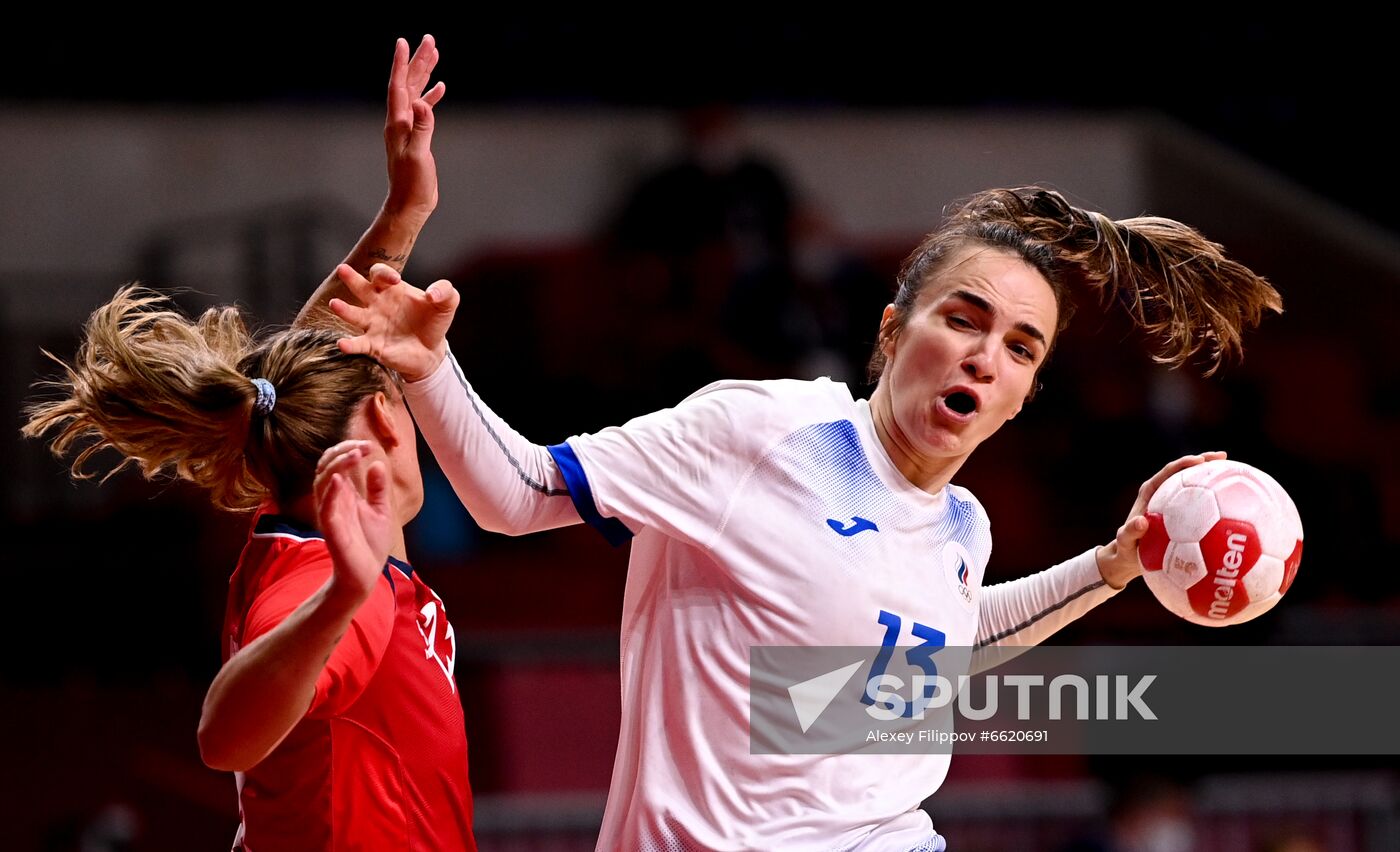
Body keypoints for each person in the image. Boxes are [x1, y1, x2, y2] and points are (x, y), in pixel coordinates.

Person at [332, 182, 1280, 850]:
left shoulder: (963, 527)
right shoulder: (765, 432)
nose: (985, 356)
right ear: (891, 330)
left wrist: (1113, 565)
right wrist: (428, 368)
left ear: (1023, 395)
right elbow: (518, 495)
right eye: (962, 317)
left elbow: (955, 644)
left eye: (1020, 347)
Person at [22, 36, 477, 851]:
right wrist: (343, 594)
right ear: (381, 423)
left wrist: (404, 214)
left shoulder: (292, 522)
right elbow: (223, 740)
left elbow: (300, 369)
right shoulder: (339, 583)